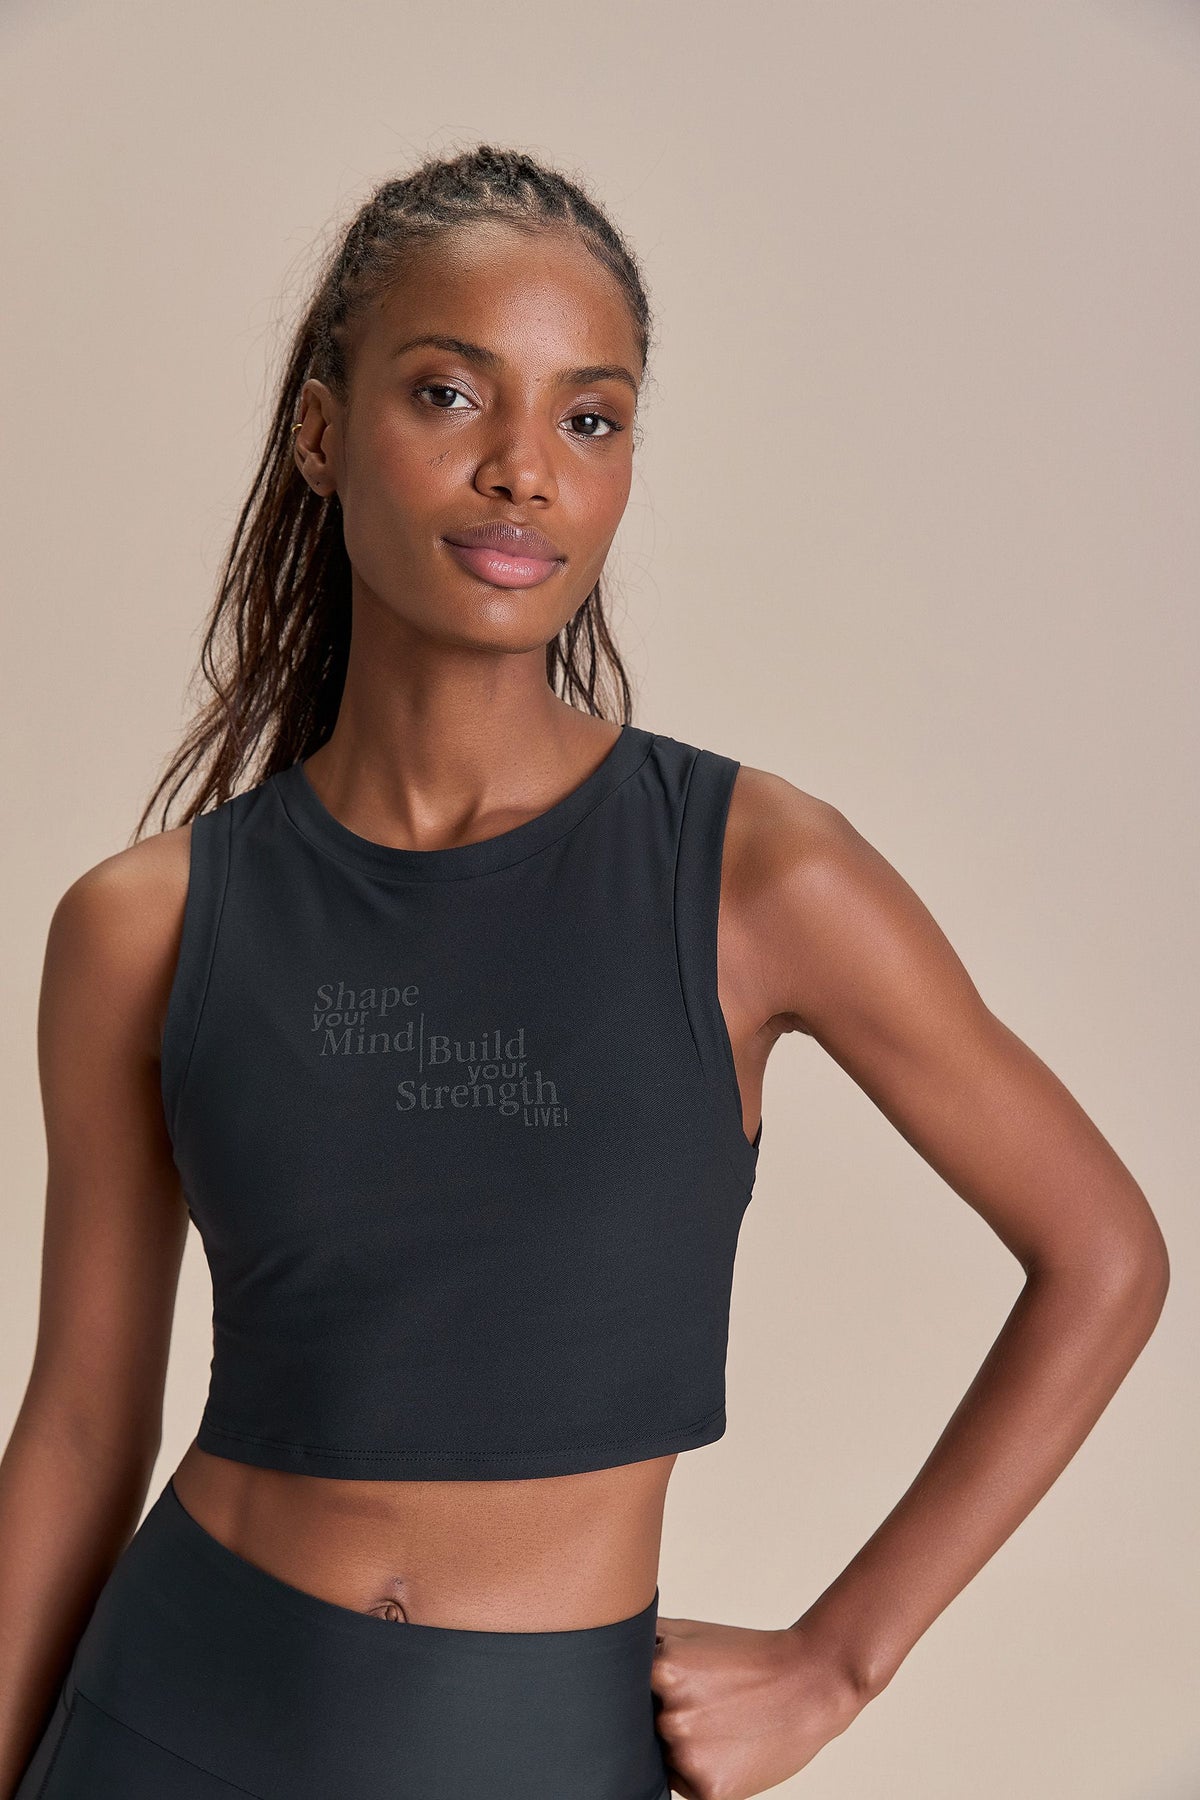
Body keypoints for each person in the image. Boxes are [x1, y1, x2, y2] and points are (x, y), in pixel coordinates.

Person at [0, 143, 1169, 1800]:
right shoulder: (148, 923)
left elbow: (1105, 1252)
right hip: (166, 1720)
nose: (523, 472)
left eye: (591, 419)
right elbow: (75, 1425)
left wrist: (841, 1659)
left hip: (534, 1751)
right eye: (449, 395)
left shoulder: (759, 876)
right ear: (323, 435)